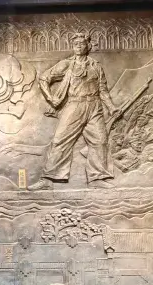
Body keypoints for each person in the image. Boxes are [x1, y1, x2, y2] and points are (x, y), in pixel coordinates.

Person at [29, 33, 116, 190]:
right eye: (76, 44)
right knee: (60, 140)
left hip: (94, 106)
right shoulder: (66, 64)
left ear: (88, 46)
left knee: (100, 141)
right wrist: (51, 99)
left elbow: (103, 89)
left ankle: (97, 178)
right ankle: (48, 179)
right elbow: (44, 78)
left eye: (82, 43)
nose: (78, 46)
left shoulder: (96, 66)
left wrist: (111, 107)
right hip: (75, 105)